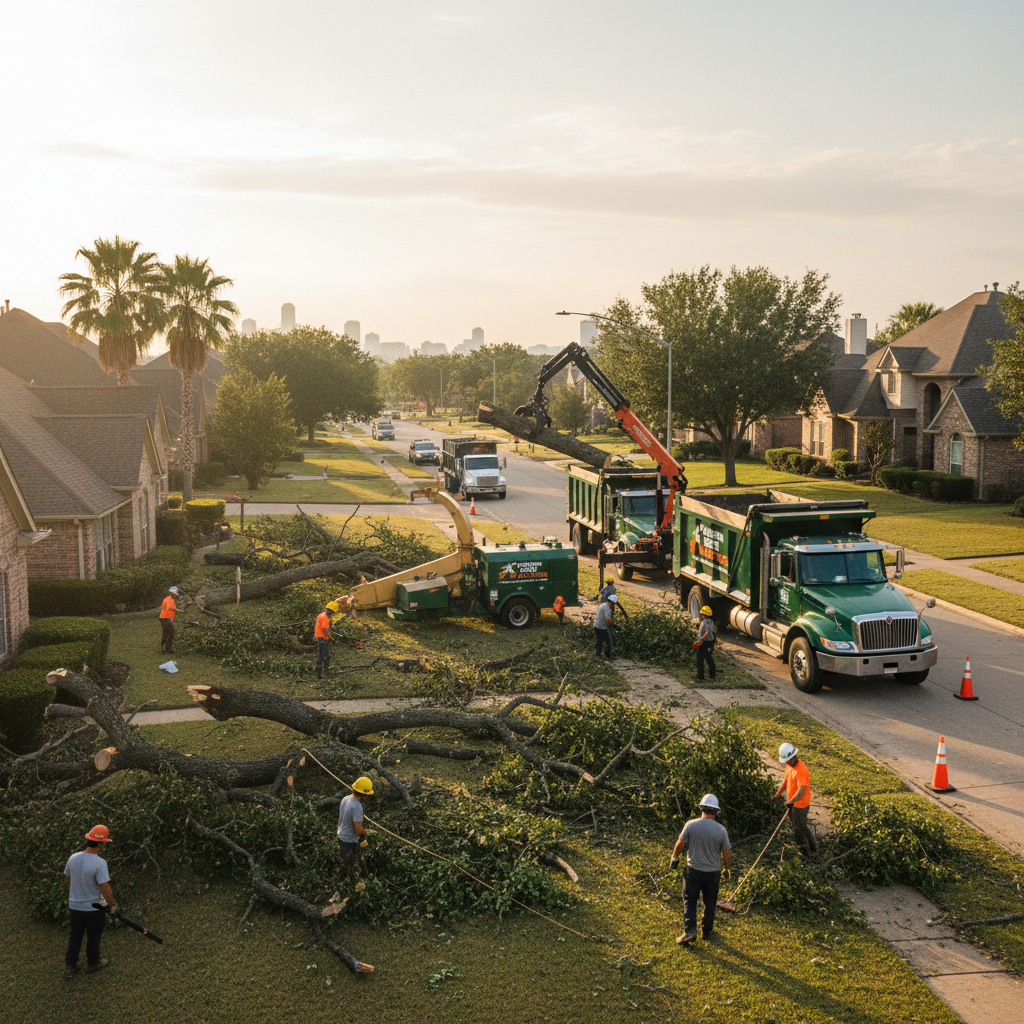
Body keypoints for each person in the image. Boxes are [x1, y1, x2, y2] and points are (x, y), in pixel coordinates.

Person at [670, 794, 731, 944]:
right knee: (710, 902)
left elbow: (680, 844)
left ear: (701, 808)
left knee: (690, 900)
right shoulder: (721, 830)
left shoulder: (691, 825)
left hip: (694, 871)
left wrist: (674, 859)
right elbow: (726, 853)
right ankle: (707, 931)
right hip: (713, 873)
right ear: (716, 811)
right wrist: (727, 870)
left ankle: (690, 932)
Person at [64, 824, 117, 977]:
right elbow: (104, 887)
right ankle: (93, 963)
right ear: (101, 844)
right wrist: (113, 904)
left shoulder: (73, 858)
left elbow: (67, 881)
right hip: (94, 908)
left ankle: (70, 967)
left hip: (75, 906)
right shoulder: (99, 863)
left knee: (75, 935)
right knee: (94, 935)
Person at [774, 743, 817, 853]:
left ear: (793, 756)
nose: (787, 763)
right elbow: (785, 781)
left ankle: (807, 851)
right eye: (786, 761)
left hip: (801, 805)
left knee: (800, 827)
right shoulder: (789, 766)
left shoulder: (802, 770)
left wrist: (791, 801)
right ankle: (806, 847)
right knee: (795, 826)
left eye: (788, 760)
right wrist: (777, 795)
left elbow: (801, 791)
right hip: (792, 803)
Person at [337, 777, 374, 880]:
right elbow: (358, 831)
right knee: (350, 864)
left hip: (341, 836)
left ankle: (344, 878)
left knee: (345, 859)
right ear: (364, 793)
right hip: (349, 840)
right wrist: (366, 832)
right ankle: (349, 882)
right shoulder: (357, 806)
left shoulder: (346, 798)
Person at [314, 600, 339, 679]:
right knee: (326, 656)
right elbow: (325, 630)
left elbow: (327, 629)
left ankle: (319, 673)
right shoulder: (325, 618)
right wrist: (331, 639)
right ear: (331, 612)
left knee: (320, 655)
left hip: (319, 637)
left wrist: (330, 634)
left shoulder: (322, 615)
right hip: (322, 638)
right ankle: (324, 672)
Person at [695, 605, 716, 681]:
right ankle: (712, 675)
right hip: (709, 643)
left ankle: (700, 676)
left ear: (703, 615)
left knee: (700, 659)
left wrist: (700, 640)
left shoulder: (705, 622)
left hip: (704, 643)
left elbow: (707, 633)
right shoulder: (710, 621)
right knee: (709, 659)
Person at [594, 594, 617, 659]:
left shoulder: (603, 604)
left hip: (596, 625)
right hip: (601, 627)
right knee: (609, 640)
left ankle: (598, 654)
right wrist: (612, 624)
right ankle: (611, 653)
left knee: (600, 640)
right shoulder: (607, 609)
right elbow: (607, 621)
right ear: (612, 604)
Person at [160, 586, 179, 655]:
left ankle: (166, 649)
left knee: (166, 633)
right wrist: (179, 611)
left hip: (165, 618)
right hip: (166, 618)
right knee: (170, 634)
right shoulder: (169, 599)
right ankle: (166, 649)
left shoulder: (170, 599)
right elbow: (170, 607)